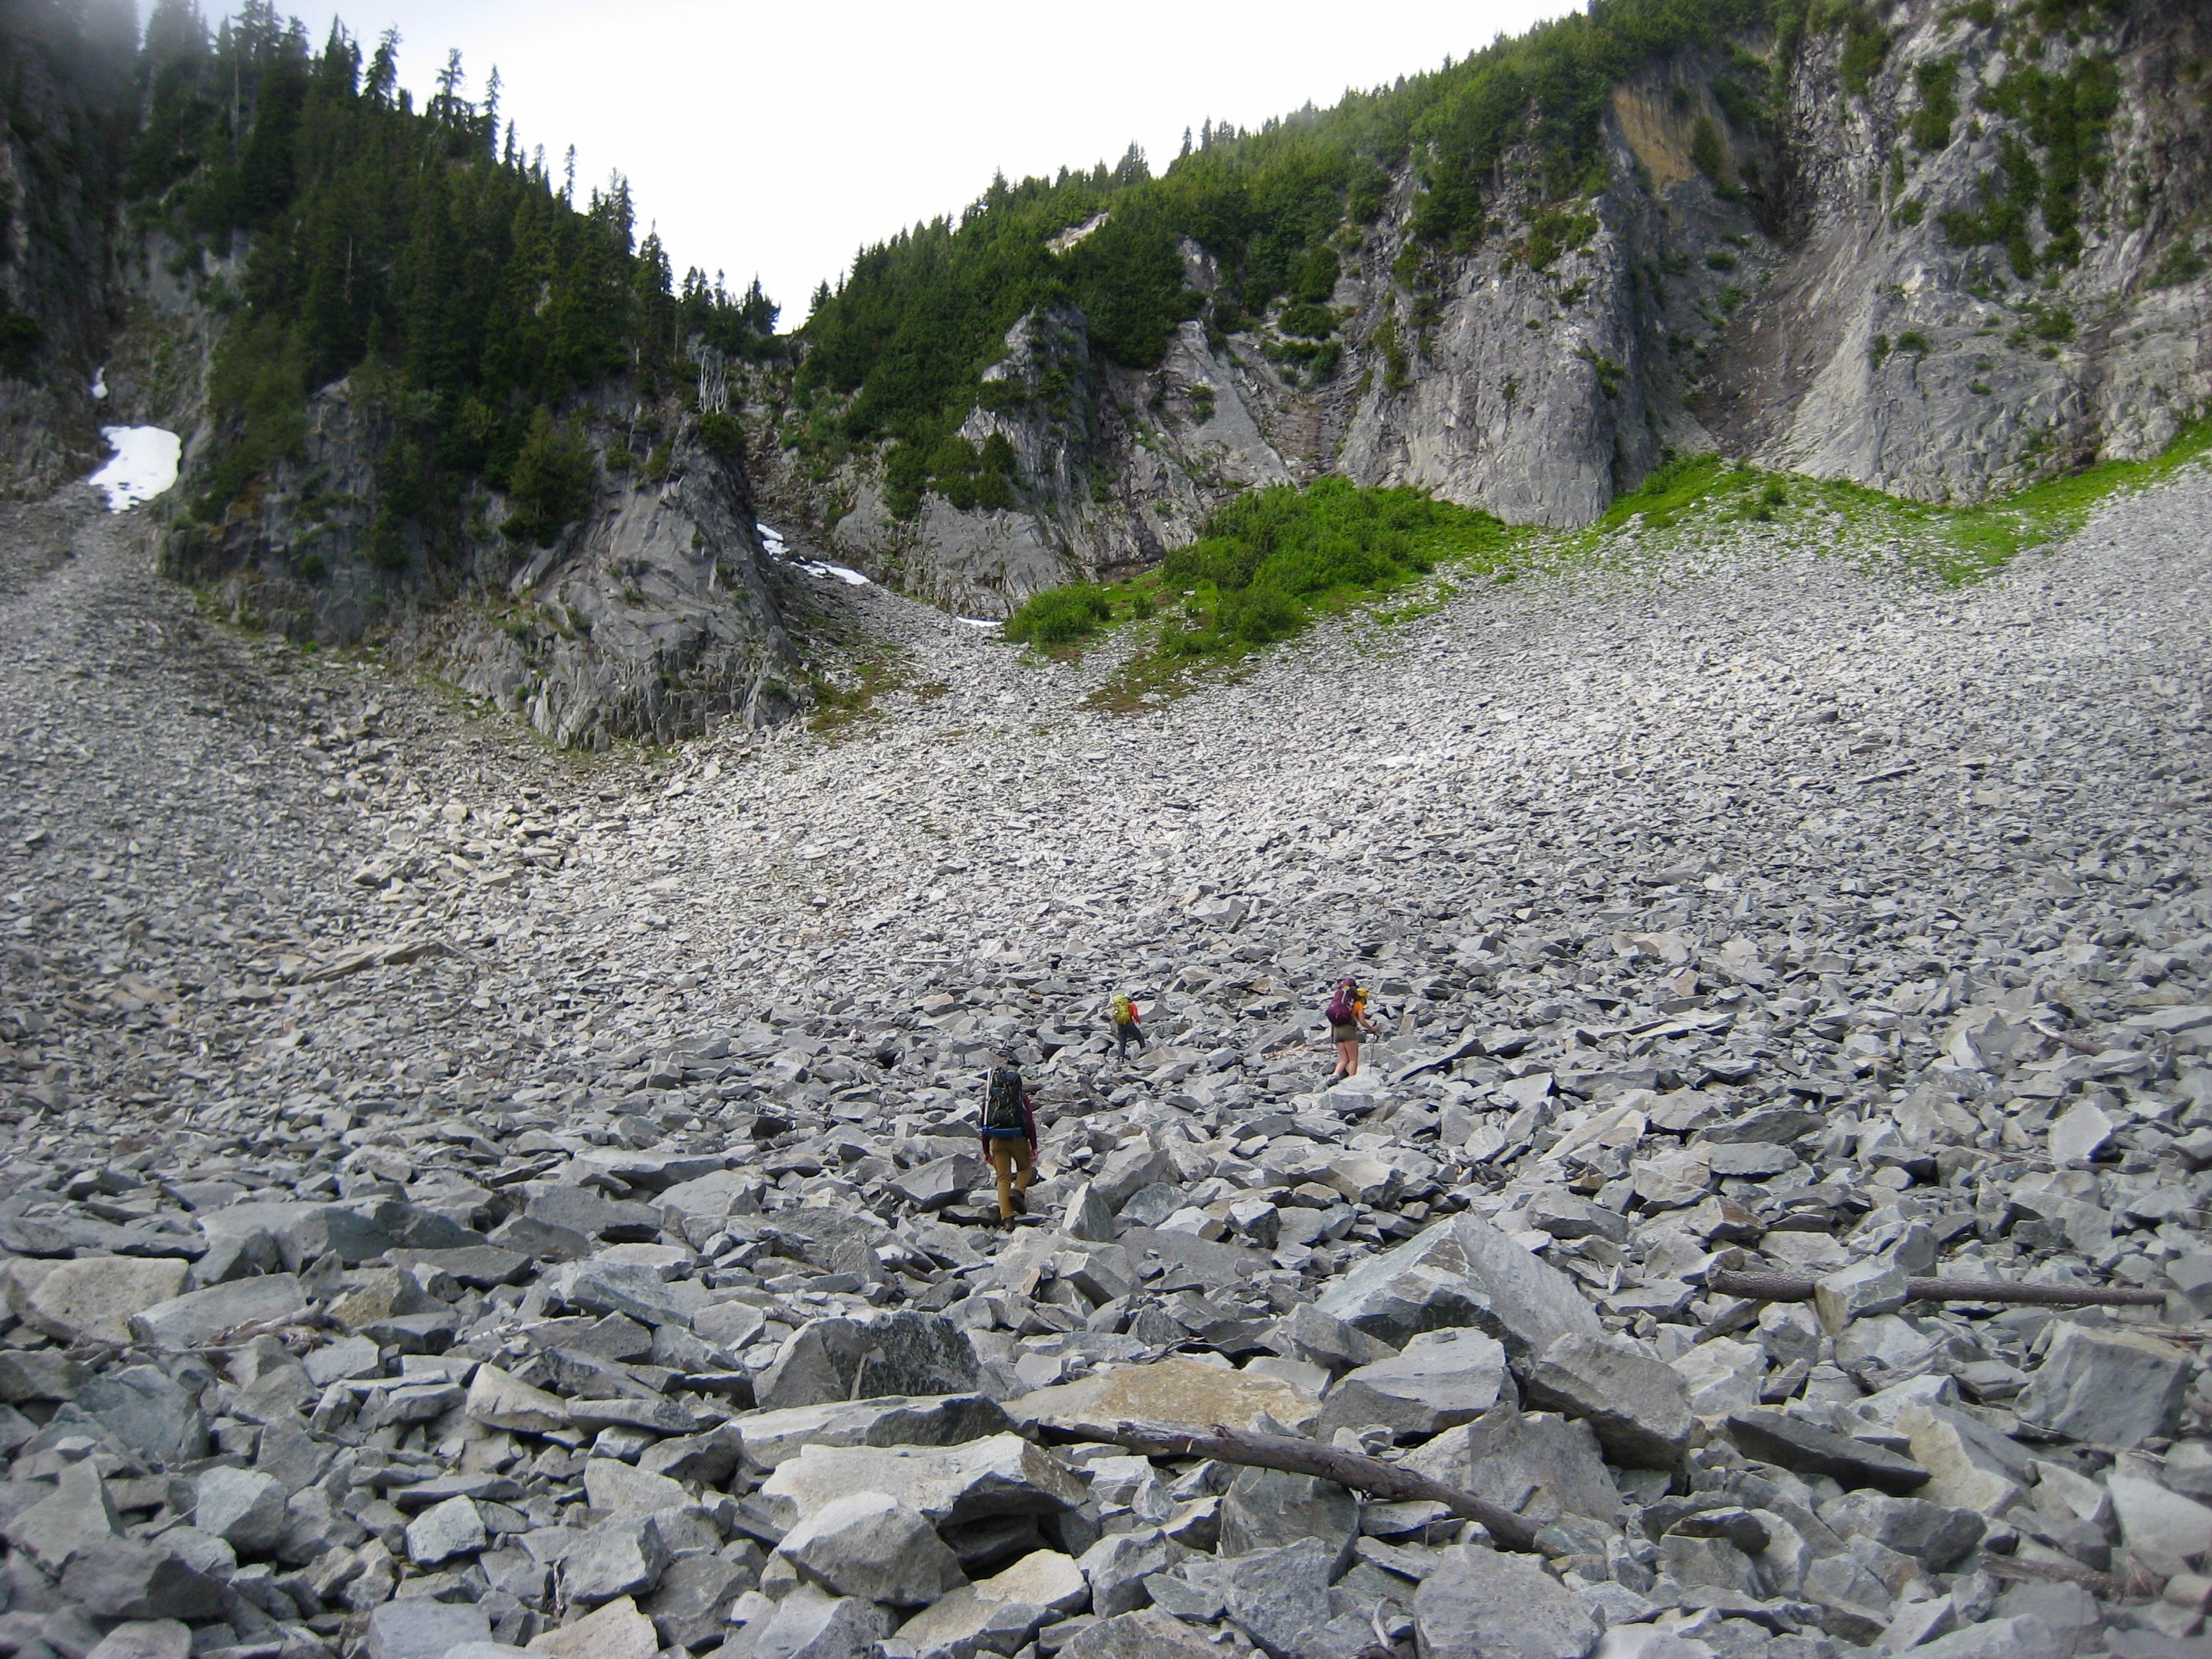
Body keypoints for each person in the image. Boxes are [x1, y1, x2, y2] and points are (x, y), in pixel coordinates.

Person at [979, 1055, 1038, 1225]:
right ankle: (1018, 1192)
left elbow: (985, 1126)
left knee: (1003, 1178)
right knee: (1025, 1168)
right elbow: (1030, 1122)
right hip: (1018, 1138)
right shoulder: (1020, 1098)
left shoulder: (990, 1100)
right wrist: (1033, 1146)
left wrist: (986, 1150)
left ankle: (1007, 1218)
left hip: (996, 1141)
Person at [1324, 977, 1381, 1083]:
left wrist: (1332, 1034)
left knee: (1344, 1059)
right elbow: (1362, 1021)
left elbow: (1333, 1021)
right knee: (1353, 1059)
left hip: (1337, 1032)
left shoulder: (1342, 1005)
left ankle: (1335, 1075)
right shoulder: (1358, 1005)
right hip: (1348, 1031)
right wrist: (1372, 1028)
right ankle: (1351, 1081)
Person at [1110, 991, 1146, 1061]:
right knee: (1140, 1037)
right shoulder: (1132, 1005)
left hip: (1120, 1025)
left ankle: (1121, 1057)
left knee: (1122, 1042)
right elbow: (1135, 1015)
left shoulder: (1119, 1006)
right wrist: (1138, 1020)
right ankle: (1144, 1051)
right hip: (1129, 1024)